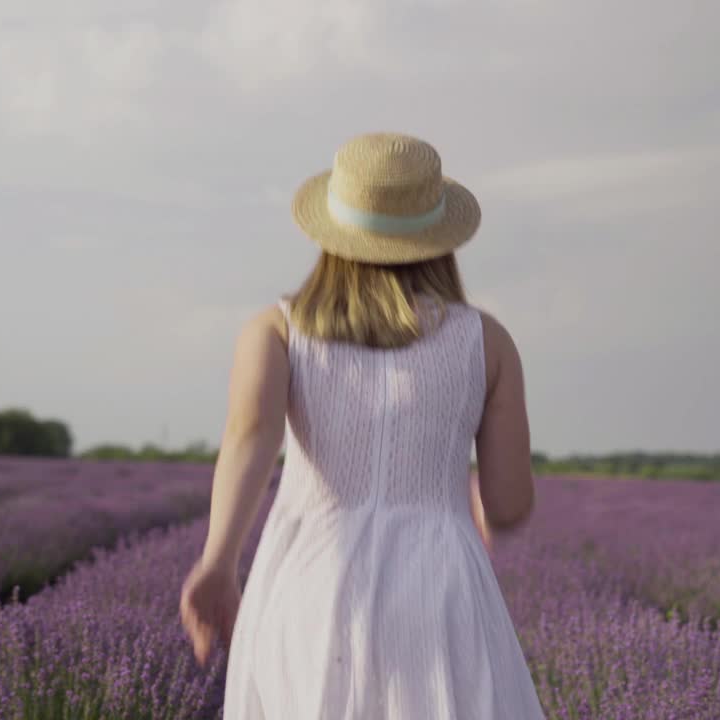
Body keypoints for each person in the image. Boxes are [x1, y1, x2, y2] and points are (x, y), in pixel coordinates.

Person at [179, 132, 544, 718]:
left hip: (310, 580)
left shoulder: (274, 330)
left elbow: (250, 441)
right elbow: (508, 503)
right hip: (439, 584)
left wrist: (218, 562)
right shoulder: (487, 341)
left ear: (331, 231)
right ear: (440, 238)